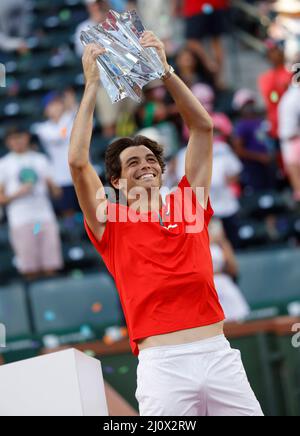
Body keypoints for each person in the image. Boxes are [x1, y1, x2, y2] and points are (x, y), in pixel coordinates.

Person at [69, 33, 263, 416]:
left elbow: (203, 127)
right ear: (117, 183)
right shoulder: (110, 221)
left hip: (218, 353)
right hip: (163, 364)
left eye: (150, 159)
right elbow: (77, 162)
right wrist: (92, 85)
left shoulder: (191, 202)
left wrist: (166, 71)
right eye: (133, 162)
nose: (145, 165)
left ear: (161, 169)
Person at [0, 127, 63, 280]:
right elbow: (1, 198)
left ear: (26, 137)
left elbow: (57, 193)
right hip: (22, 220)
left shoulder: (40, 159)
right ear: (8, 142)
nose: (17, 141)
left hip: (43, 219)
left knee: (51, 265)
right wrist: (18, 193)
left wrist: (52, 186)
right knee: (29, 268)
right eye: (13, 139)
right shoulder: (4, 164)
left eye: (20, 137)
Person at [33, 90, 78, 216]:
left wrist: (72, 109)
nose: (56, 107)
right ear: (45, 110)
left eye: (58, 103)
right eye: (52, 104)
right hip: (62, 178)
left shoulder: (72, 119)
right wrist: (70, 112)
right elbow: (61, 135)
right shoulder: (42, 128)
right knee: (69, 215)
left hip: (81, 173)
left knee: (92, 211)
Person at [209, 219, 250, 322]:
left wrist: (221, 242)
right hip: (203, 285)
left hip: (222, 281)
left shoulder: (220, 240)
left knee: (239, 318)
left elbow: (233, 268)